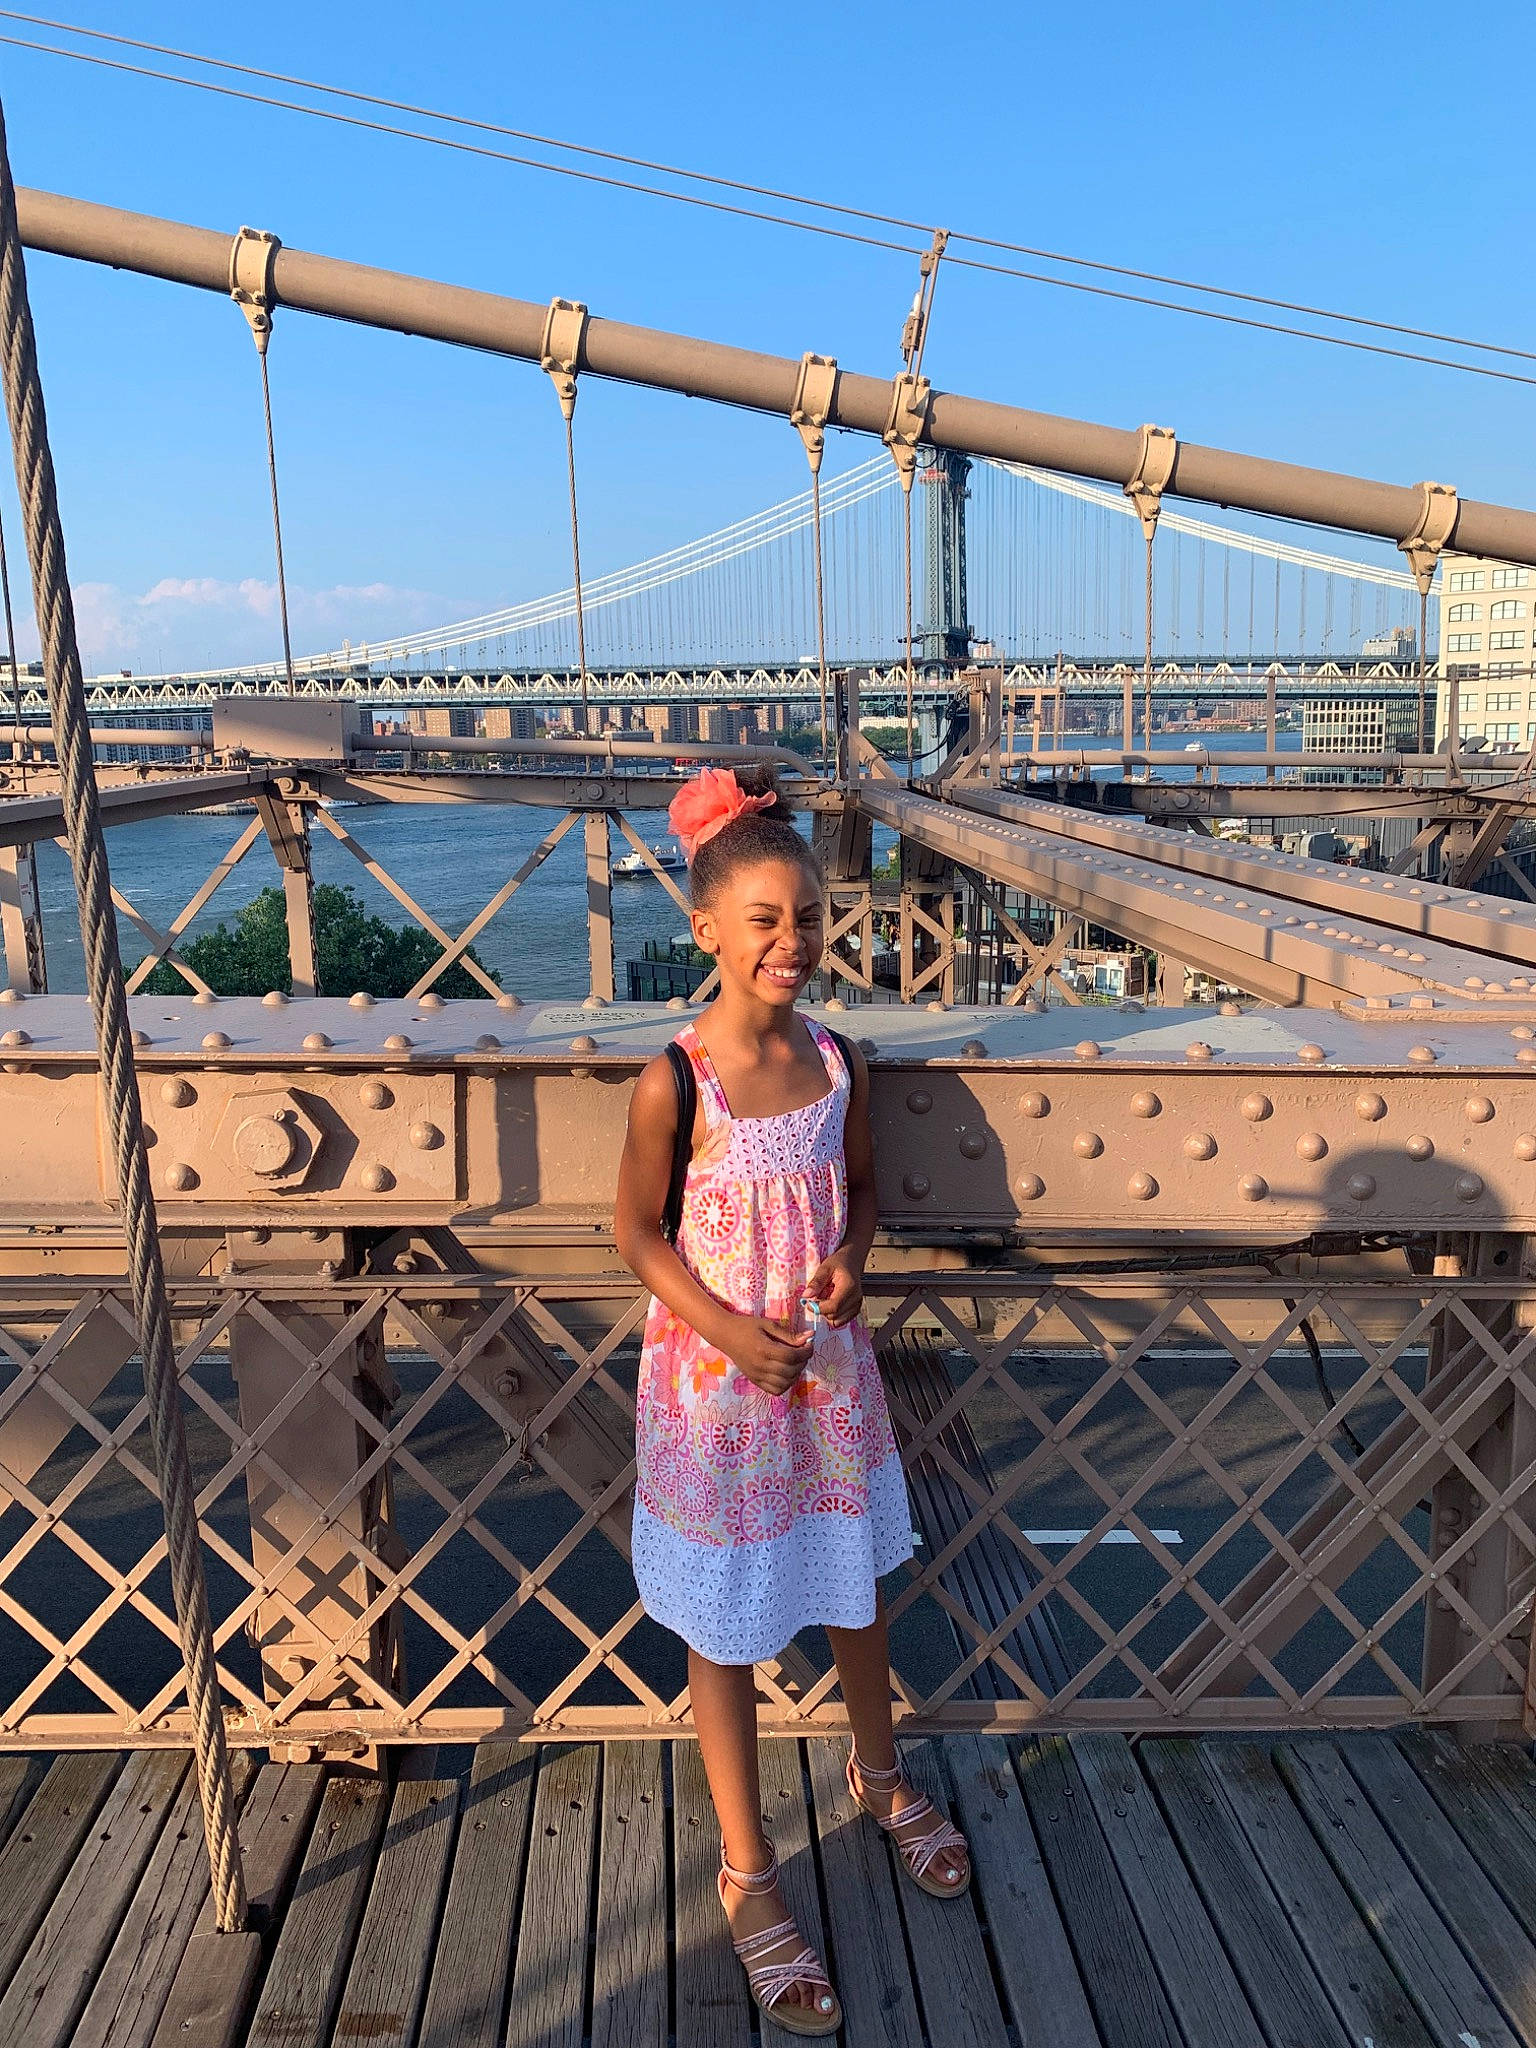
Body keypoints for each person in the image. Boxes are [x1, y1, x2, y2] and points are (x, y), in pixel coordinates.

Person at [614, 765, 969, 2037]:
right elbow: (634, 1233)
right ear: (706, 927)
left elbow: (863, 1194)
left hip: (823, 1380)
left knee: (853, 1584)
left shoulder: (837, 1059)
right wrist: (720, 1324)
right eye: (762, 919)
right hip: (716, 1390)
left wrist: (851, 1260)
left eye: (807, 916)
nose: (791, 941)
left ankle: (881, 1775)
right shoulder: (677, 1079)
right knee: (724, 1626)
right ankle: (749, 1869)